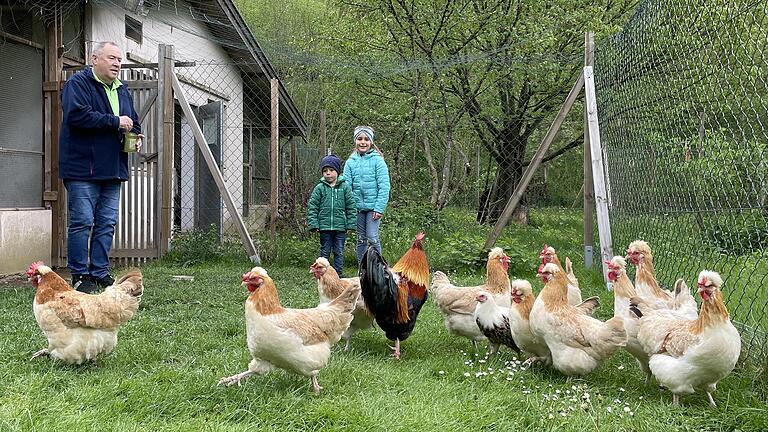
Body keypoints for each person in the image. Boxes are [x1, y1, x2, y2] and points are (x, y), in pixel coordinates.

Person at [59, 41, 143, 293]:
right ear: (94, 59)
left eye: (119, 59)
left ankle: (99, 272)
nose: (117, 63)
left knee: (106, 222)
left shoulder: (122, 89)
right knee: (82, 221)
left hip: (113, 167)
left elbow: (133, 121)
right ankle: (80, 275)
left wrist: (136, 136)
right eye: (111, 58)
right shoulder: (78, 84)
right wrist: (115, 121)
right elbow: (76, 116)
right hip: (82, 168)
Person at [343, 126, 390, 265]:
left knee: (372, 237)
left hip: (373, 208)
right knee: (361, 239)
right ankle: (362, 270)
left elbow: (384, 186)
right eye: (359, 139)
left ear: (371, 142)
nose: (362, 142)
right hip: (357, 208)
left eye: (366, 139)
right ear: (355, 141)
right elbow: (346, 186)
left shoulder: (378, 161)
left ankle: (379, 269)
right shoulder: (350, 162)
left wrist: (379, 208)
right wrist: (349, 207)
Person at [307, 154, 357, 277]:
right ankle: (323, 273)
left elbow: (351, 206)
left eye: (331, 170)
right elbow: (312, 206)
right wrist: (314, 223)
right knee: (324, 251)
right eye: (325, 171)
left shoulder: (345, 188)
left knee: (339, 251)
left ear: (338, 172)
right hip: (324, 227)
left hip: (340, 227)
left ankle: (338, 274)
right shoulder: (320, 188)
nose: (328, 173)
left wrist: (351, 223)